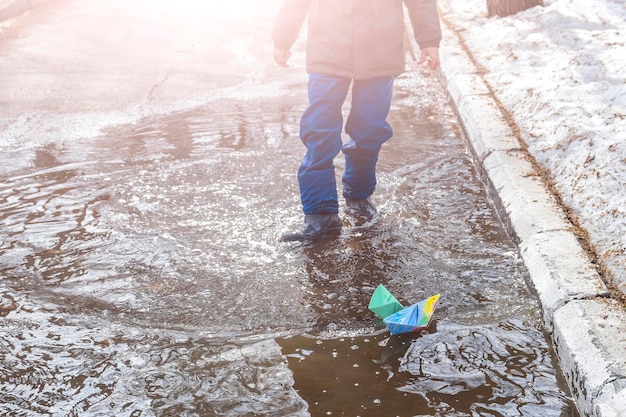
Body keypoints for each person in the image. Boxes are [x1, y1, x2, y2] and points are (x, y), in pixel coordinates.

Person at [272, 0, 442, 242]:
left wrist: (429, 41)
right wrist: (283, 38)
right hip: (328, 45)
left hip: (381, 47)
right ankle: (320, 213)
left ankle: (359, 197)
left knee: (370, 129)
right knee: (319, 129)